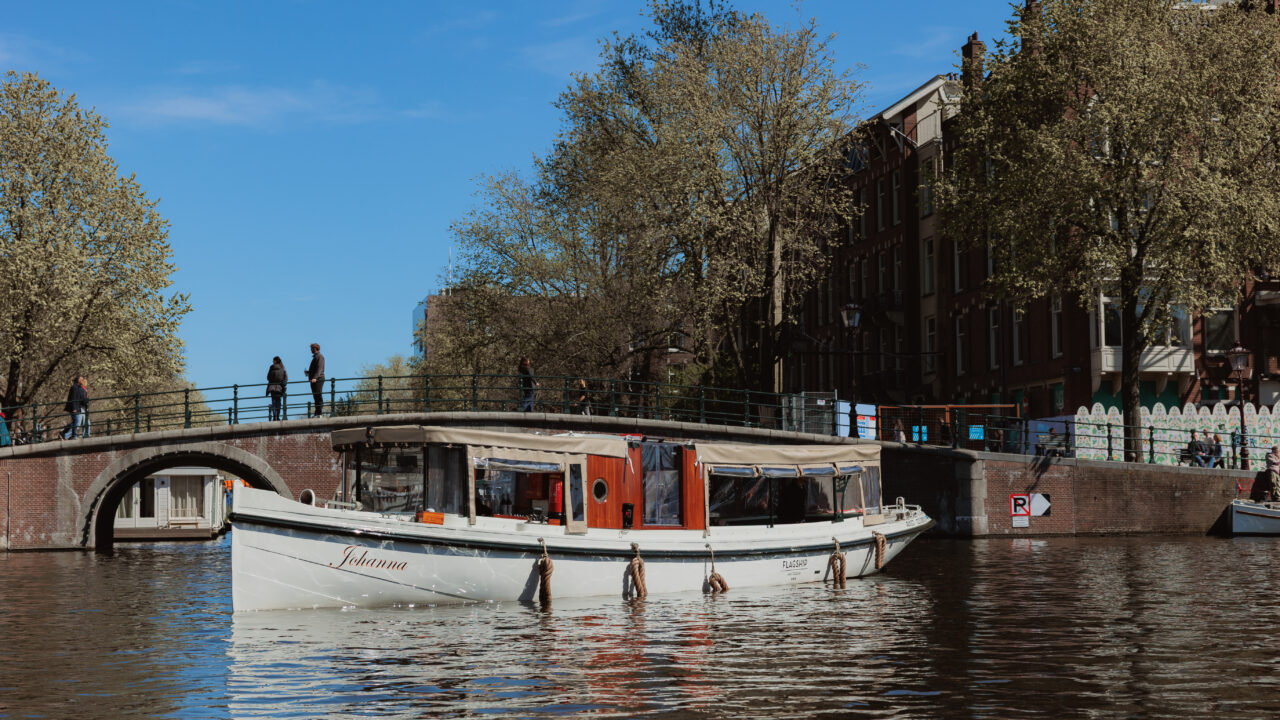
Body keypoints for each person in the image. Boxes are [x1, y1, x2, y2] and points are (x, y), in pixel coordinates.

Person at [61, 375, 88, 440]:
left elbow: (80, 398)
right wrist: (74, 408)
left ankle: (65, 433)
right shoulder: (74, 387)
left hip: (77, 407)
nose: (82, 381)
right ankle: (73, 435)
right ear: (78, 380)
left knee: (75, 422)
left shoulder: (78, 387)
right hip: (74, 408)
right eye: (81, 380)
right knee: (76, 421)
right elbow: (73, 398)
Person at [306, 343, 325, 417]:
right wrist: (308, 373)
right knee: (315, 396)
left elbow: (319, 368)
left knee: (318, 395)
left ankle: (319, 413)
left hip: (318, 379)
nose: (310, 350)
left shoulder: (320, 357)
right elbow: (316, 369)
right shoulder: (316, 357)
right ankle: (317, 413)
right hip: (315, 379)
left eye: (311, 348)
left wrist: (315, 378)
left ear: (315, 349)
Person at [266, 356, 288, 421]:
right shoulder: (282, 368)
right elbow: (286, 378)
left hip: (272, 387)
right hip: (279, 387)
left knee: (273, 401)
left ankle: (274, 416)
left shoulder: (271, 368)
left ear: (274, 361)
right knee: (278, 402)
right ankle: (278, 416)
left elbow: (268, 377)